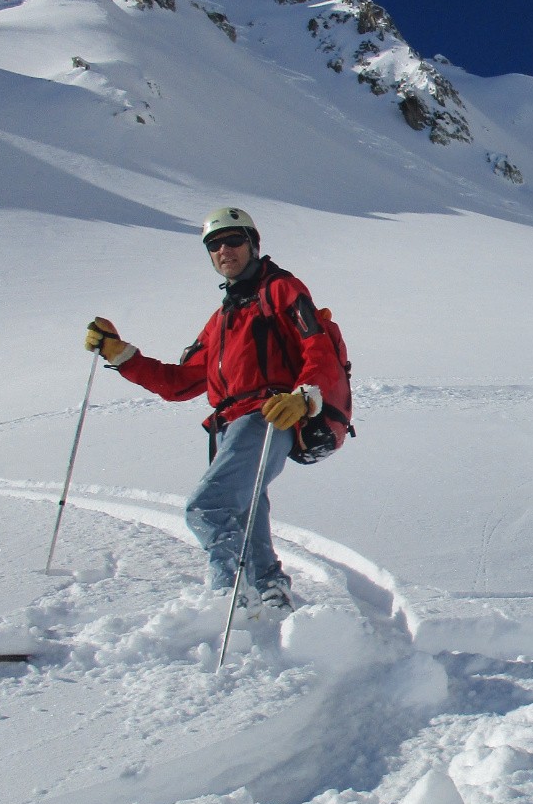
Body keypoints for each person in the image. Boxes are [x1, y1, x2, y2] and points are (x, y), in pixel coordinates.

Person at [84, 207, 344, 611]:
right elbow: (180, 382)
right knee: (243, 512)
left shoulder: (280, 289)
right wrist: (121, 355)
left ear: (253, 244)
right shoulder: (222, 318)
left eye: (234, 240)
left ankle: (228, 601)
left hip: (267, 415)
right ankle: (271, 600)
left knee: (209, 507)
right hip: (228, 427)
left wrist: (305, 395)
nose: (224, 250)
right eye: (214, 245)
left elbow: (317, 346)